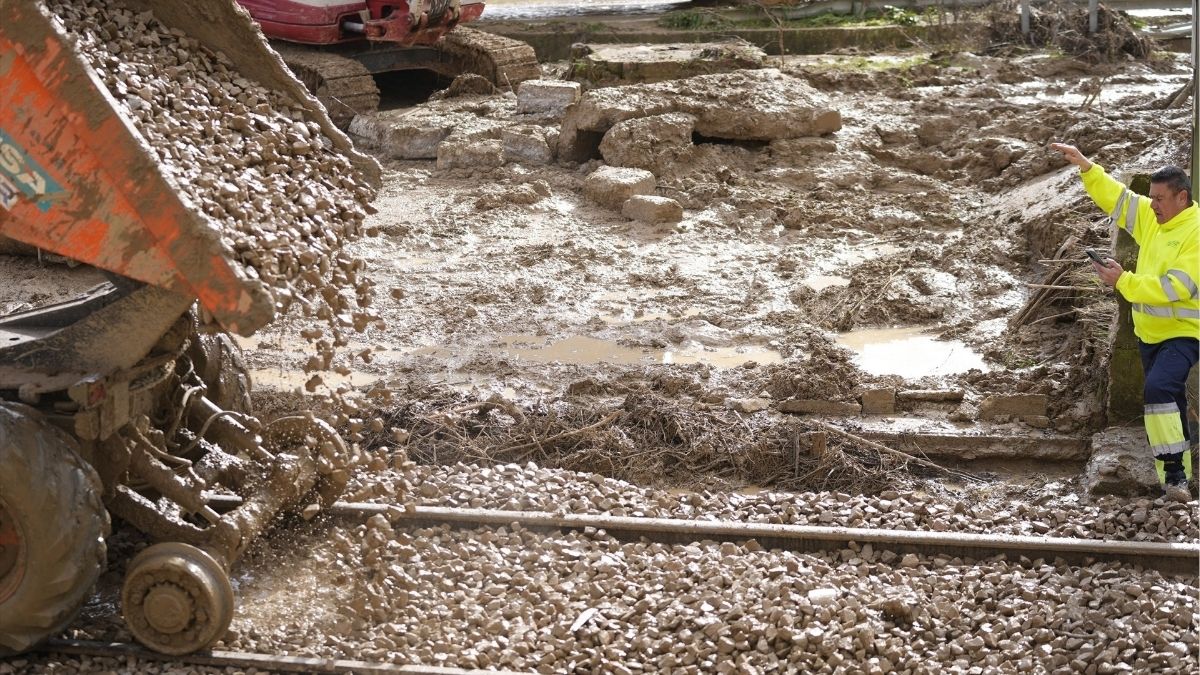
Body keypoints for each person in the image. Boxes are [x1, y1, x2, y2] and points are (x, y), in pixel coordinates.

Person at [1050, 142, 1198, 503]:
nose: (1152, 205)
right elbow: (1119, 200)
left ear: (1181, 198)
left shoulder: (1195, 232)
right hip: (1149, 333)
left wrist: (1123, 281)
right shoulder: (1154, 216)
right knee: (1171, 401)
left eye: (1159, 198)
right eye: (1151, 197)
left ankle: (1175, 478)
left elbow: (1176, 287)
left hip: (1185, 332)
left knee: (1159, 392)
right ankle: (1181, 479)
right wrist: (1088, 167)